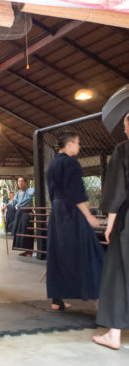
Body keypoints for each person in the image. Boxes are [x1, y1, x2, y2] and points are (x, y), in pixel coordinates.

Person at [45, 132, 103, 311]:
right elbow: (77, 193)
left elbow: (53, 192)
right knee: (92, 254)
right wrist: (89, 216)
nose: (79, 147)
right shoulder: (71, 163)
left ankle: (57, 299)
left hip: (57, 212)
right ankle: (100, 300)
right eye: (77, 144)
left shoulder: (52, 165)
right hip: (72, 213)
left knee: (59, 253)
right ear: (69, 145)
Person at [93, 111, 129, 350]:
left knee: (117, 271)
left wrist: (111, 223)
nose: (125, 128)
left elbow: (117, 189)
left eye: (126, 122)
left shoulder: (124, 149)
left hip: (127, 219)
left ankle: (114, 334)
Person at [8, 177, 35, 256]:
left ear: (25, 182)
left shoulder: (29, 190)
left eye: (21, 181)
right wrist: (5, 206)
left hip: (27, 213)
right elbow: (13, 202)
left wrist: (35, 182)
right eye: (18, 181)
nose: (20, 183)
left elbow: (34, 190)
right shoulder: (18, 192)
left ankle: (30, 251)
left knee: (28, 231)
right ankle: (26, 250)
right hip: (20, 213)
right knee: (21, 232)